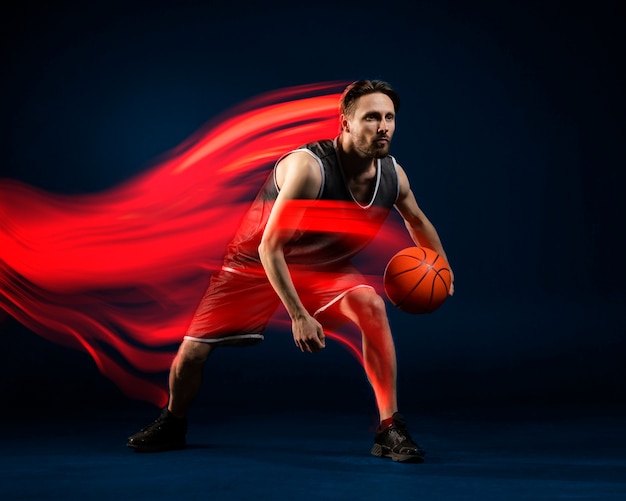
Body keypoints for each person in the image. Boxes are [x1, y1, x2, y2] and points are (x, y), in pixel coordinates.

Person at [127, 79, 454, 462]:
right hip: (254, 265)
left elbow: (416, 221)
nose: (382, 126)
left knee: (370, 305)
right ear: (345, 123)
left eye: (389, 118)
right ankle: (173, 421)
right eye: (370, 118)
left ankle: (389, 428)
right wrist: (299, 315)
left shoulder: (393, 175)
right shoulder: (308, 168)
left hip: (322, 267)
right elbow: (270, 246)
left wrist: (442, 267)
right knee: (192, 355)